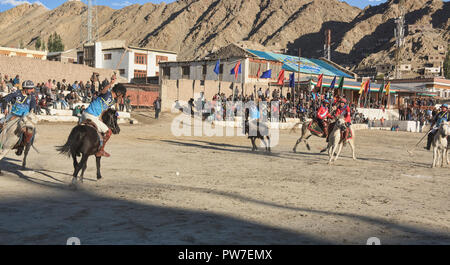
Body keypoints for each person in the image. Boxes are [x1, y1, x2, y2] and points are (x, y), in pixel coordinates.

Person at [80, 73, 126, 157]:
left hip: (85, 114)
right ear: (119, 93)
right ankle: (100, 150)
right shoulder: (107, 93)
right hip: (91, 116)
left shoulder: (112, 101)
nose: (121, 97)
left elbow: (104, 109)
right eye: (121, 95)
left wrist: (101, 117)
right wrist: (111, 83)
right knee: (108, 132)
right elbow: (103, 91)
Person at [0, 81, 37, 155]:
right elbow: (5, 99)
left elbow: (33, 108)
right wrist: (5, 108)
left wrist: (32, 114)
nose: (32, 90)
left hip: (25, 118)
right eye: (30, 89)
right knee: (1, 123)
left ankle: (21, 146)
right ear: (25, 89)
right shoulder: (16, 94)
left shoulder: (32, 98)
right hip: (13, 115)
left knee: (28, 132)